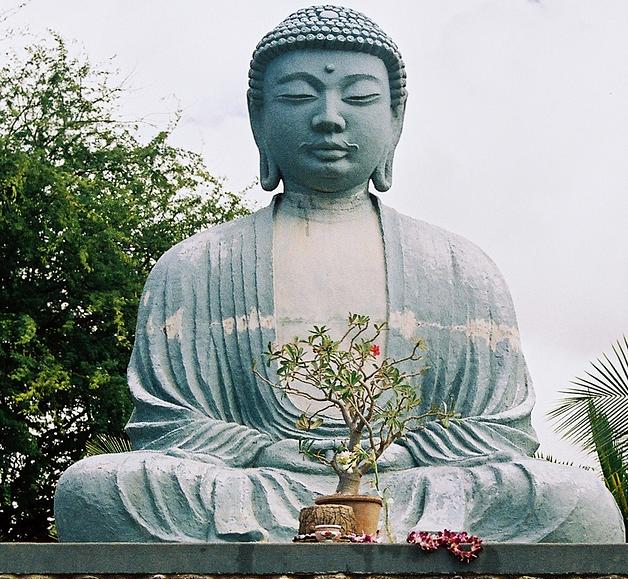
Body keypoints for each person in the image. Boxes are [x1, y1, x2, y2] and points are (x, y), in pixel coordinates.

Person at [54, 6, 625, 543]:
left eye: (359, 97)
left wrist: (404, 453)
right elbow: (168, 427)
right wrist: (261, 452)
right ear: (258, 119)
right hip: (258, 485)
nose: (329, 117)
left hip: (411, 486)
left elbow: (500, 432)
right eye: (299, 96)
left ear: (395, 120)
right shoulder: (195, 266)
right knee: (97, 489)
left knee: (576, 502)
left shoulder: (460, 267)